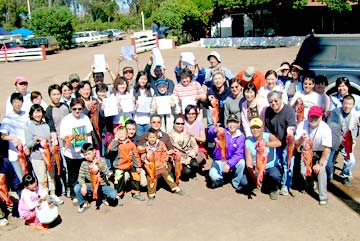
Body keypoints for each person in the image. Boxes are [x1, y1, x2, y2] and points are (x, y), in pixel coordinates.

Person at [25, 104, 63, 205]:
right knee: (42, 179)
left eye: (39, 112)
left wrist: (53, 154)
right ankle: (46, 199)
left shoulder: (46, 126)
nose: (38, 114)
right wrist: (35, 139)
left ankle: (53, 194)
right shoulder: (29, 127)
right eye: (35, 112)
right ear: (31, 114)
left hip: (49, 155)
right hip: (37, 157)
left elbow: (50, 141)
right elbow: (28, 144)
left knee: (51, 176)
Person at [295, 106, 331, 205]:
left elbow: (327, 149)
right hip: (306, 151)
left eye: (316, 117)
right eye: (311, 117)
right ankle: (310, 183)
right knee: (304, 172)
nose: (313, 119)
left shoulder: (325, 128)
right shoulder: (302, 125)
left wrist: (320, 163)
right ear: (308, 116)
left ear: (321, 117)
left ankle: (323, 196)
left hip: (320, 152)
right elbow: (296, 145)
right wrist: (301, 139)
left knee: (321, 171)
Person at [59, 98, 93, 205]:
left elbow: (88, 135)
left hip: (83, 153)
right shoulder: (66, 120)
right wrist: (70, 138)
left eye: (80, 109)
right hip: (71, 153)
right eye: (74, 109)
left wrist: (90, 149)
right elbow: (63, 136)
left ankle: (86, 193)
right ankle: (74, 195)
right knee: (73, 175)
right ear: (70, 109)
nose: (77, 111)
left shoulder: (85, 118)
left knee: (85, 174)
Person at [74, 143, 122, 213]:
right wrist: (84, 186)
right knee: (77, 187)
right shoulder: (84, 164)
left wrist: (99, 164)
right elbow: (80, 177)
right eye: (85, 155)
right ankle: (83, 203)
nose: (87, 156)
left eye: (88, 154)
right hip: (92, 185)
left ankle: (104, 197)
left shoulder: (101, 160)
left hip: (103, 185)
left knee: (113, 194)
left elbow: (107, 172)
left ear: (94, 151)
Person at [264, 91, 297, 195]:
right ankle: (274, 182)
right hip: (275, 142)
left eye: (275, 101)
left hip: (286, 143)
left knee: (286, 163)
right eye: (271, 102)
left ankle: (285, 185)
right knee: (275, 162)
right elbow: (268, 127)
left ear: (281, 100)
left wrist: (290, 130)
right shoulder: (268, 111)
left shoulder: (289, 111)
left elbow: (292, 125)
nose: (273, 103)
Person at [142, 129, 184, 203]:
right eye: (150, 137)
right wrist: (146, 162)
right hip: (152, 167)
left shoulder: (161, 144)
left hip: (160, 165)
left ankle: (175, 188)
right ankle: (151, 193)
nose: (152, 139)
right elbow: (143, 156)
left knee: (168, 176)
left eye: (154, 137)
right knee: (152, 179)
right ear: (147, 138)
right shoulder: (145, 147)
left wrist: (164, 162)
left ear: (157, 137)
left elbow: (164, 154)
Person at [245, 118, 282, 200]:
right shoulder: (248, 141)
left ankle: (273, 188)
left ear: (262, 128)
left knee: (275, 175)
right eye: (253, 128)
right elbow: (248, 162)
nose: (255, 130)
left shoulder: (268, 136)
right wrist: (255, 177)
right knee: (244, 182)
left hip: (270, 166)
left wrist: (266, 144)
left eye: (257, 127)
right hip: (257, 167)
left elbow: (279, 143)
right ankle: (259, 182)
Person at [208, 114, 246, 190]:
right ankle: (222, 179)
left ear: (238, 124)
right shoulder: (222, 131)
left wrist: (229, 164)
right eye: (230, 122)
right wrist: (214, 130)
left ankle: (236, 182)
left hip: (232, 161)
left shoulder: (241, 137)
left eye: (234, 122)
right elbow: (210, 136)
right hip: (220, 159)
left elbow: (239, 154)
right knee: (213, 176)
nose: (232, 125)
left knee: (242, 162)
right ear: (227, 123)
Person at [327, 95, 358, 186]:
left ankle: (344, 176)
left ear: (353, 105)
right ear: (342, 103)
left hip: (347, 142)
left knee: (351, 161)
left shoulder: (355, 116)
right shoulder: (335, 113)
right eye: (345, 104)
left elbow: (354, 131)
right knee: (328, 163)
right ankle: (329, 174)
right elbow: (330, 126)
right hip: (334, 140)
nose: (347, 106)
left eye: (350, 104)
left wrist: (352, 143)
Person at [45, 84, 70, 197]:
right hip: (58, 141)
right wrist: (55, 142)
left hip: (69, 138)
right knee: (61, 166)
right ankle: (63, 189)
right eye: (54, 94)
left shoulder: (65, 106)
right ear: (50, 96)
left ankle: (70, 187)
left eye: (58, 94)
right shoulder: (49, 110)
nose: (56, 97)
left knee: (69, 164)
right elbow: (51, 128)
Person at [108, 126, 145, 201]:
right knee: (118, 179)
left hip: (130, 165)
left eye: (123, 134)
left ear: (127, 135)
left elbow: (136, 156)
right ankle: (118, 195)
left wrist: (138, 166)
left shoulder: (131, 144)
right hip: (119, 166)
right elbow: (111, 149)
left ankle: (135, 193)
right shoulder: (115, 143)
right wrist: (115, 140)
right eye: (119, 134)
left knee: (136, 176)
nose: (121, 135)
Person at [0, 93, 28, 180]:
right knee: (21, 178)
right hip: (15, 154)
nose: (18, 104)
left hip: (27, 151)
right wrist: (13, 138)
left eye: (19, 101)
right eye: (15, 102)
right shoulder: (8, 118)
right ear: (12, 103)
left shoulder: (27, 115)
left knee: (29, 176)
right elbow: (3, 136)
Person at [169, 115, 200, 180]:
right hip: (178, 159)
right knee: (186, 172)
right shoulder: (169, 136)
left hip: (188, 155)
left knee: (195, 165)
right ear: (174, 124)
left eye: (182, 123)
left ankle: (192, 172)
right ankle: (181, 172)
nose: (180, 125)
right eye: (178, 123)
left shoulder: (188, 134)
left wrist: (190, 157)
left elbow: (195, 147)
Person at [0, 157, 21, 227]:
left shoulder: (6, 162)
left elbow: (14, 179)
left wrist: (21, 196)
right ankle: (1, 216)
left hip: (5, 185)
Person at [133, 71, 155, 137]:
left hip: (148, 121)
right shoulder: (133, 90)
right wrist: (134, 105)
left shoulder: (151, 90)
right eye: (141, 79)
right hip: (137, 121)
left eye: (145, 79)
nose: (143, 81)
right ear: (138, 79)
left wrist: (152, 106)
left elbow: (153, 106)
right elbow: (130, 107)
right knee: (140, 141)